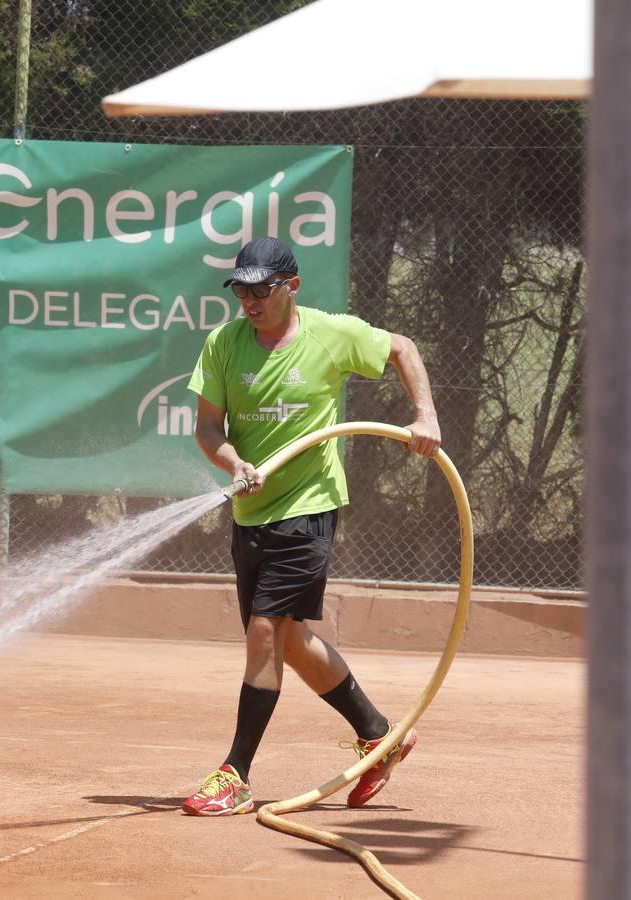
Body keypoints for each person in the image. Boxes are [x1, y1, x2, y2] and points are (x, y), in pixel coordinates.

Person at [180, 236, 441, 816]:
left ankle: (236, 775)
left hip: (309, 508)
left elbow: (403, 348)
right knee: (289, 640)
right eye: (241, 289)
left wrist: (424, 415)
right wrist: (232, 462)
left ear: (290, 287)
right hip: (251, 513)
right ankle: (380, 736)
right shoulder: (224, 344)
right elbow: (207, 427)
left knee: (265, 635)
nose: (249, 300)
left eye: (261, 289)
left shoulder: (329, 333)